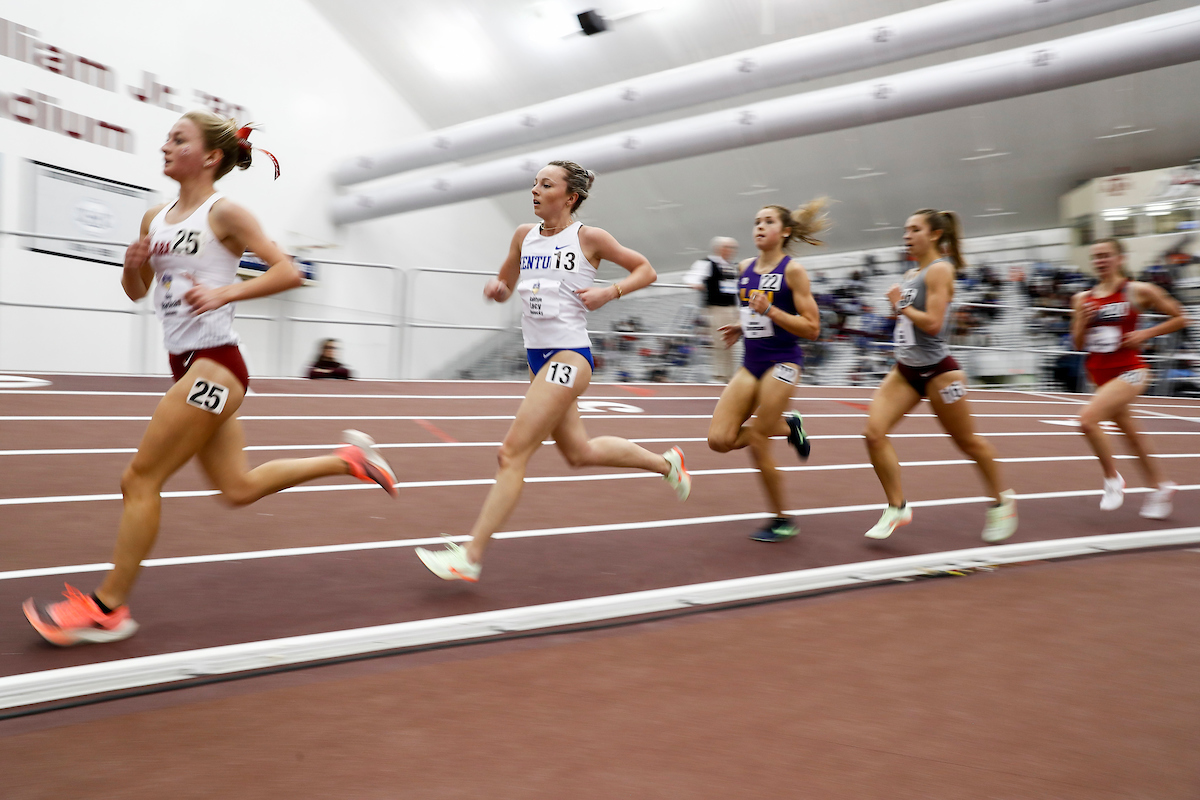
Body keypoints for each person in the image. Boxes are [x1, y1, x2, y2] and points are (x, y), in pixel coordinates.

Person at [23, 111, 397, 646]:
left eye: (179, 139)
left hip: (217, 364)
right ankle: (347, 460)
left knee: (141, 479)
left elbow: (289, 271)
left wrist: (225, 293)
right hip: (187, 365)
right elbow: (136, 292)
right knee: (237, 488)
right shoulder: (155, 217)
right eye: (168, 138)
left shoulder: (227, 214)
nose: (166, 145)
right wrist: (132, 265)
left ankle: (108, 608)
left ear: (211, 156)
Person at [414, 161, 690, 581]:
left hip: (570, 357)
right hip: (536, 358)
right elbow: (505, 284)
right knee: (580, 453)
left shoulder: (589, 238)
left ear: (570, 197)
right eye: (534, 184)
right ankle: (668, 464)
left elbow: (645, 269)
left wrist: (608, 292)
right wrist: (496, 290)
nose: (535, 190)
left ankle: (470, 554)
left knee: (511, 453)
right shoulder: (523, 236)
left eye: (546, 184)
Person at [862, 209, 1017, 543]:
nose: (906, 235)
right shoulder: (910, 272)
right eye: (905, 229)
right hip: (905, 370)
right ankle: (897, 505)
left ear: (933, 234)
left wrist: (900, 306)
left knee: (967, 442)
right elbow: (910, 322)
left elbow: (933, 323)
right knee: (874, 433)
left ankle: (1002, 502)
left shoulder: (940, 270)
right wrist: (900, 310)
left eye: (914, 229)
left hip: (939, 375)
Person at [707, 202, 823, 543]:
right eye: (756, 221)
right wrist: (743, 327)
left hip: (784, 362)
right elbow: (755, 312)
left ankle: (782, 518)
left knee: (757, 439)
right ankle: (790, 425)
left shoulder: (794, 271)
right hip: (752, 361)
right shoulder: (744, 267)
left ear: (785, 231)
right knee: (719, 440)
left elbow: (813, 328)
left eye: (768, 221)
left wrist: (769, 309)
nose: (759, 227)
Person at [1071, 238, 1188, 518]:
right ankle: (1161, 486)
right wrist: (1082, 321)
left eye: (1106, 255)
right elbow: (1078, 344)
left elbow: (1180, 317)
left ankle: (1113, 479)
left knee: (1087, 421)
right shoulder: (1082, 299)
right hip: (1101, 376)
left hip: (1132, 371)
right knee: (1133, 437)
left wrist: (1145, 334)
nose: (1100, 260)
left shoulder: (1137, 290)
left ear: (1120, 258)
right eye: (1096, 256)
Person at [685, 236, 740, 382]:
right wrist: (697, 284)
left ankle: (730, 374)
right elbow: (691, 278)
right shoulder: (707, 263)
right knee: (720, 341)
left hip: (732, 308)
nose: (731, 251)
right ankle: (721, 375)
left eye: (732, 248)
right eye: (728, 247)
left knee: (732, 342)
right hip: (716, 308)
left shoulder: (732, 265)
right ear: (720, 248)